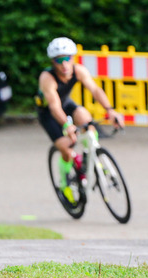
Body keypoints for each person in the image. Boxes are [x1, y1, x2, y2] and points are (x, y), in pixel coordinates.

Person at [36, 37, 124, 196]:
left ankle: (90, 156)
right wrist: (66, 125)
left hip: (67, 104)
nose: (64, 65)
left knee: (86, 120)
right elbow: (55, 106)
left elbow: (95, 90)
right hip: (49, 113)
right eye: (59, 60)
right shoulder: (47, 78)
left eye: (67, 59)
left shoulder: (79, 70)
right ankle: (64, 182)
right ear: (52, 62)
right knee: (67, 146)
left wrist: (110, 110)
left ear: (73, 58)